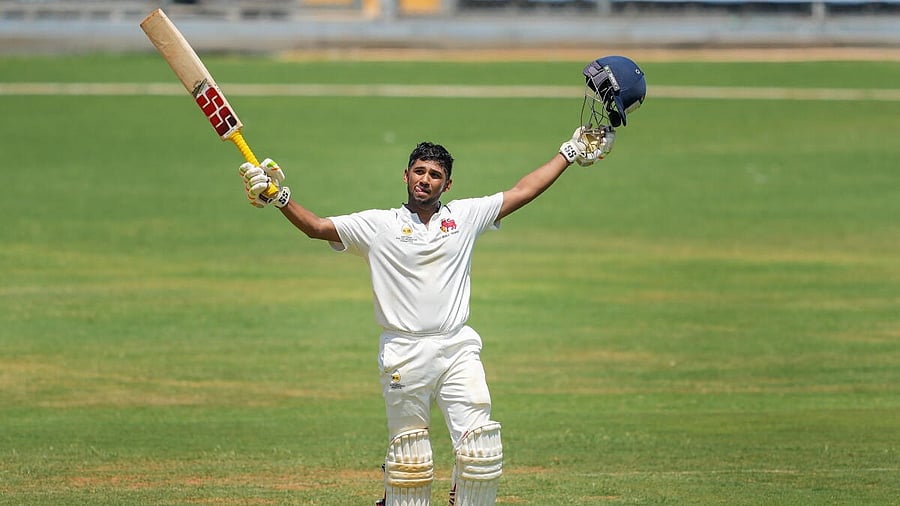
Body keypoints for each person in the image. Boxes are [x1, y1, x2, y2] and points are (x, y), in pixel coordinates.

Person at [238, 56, 646, 506]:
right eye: (418, 171)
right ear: (406, 175)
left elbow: (522, 190)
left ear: (446, 184)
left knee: (481, 452)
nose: (424, 180)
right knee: (410, 466)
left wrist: (567, 153)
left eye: (434, 175)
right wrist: (278, 196)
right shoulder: (378, 225)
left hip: (456, 347)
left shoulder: (465, 217)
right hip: (403, 351)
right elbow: (316, 227)